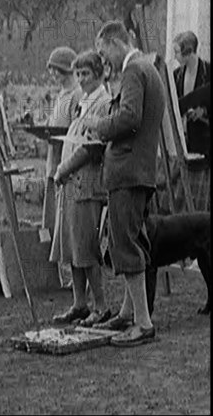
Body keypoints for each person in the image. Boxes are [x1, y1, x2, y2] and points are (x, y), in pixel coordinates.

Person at [85, 21, 165, 347]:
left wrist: (98, 125)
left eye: (105, 53)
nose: (105, 62)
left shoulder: (134, 70)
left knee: (124, 244)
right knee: (137, 240)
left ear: (116, 42)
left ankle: (143, 323)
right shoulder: (149, 68)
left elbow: (130, 117)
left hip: (128, 171)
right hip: (142, 170)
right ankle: (127, 313)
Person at [49, 50, 112, 327]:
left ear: (99, 74)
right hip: (71, 185)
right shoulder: (83, 102)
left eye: (87, 73)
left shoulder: (103, 103)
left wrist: (64, 168)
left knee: (86, 246)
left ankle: (100, 306)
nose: (82, 79)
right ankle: (79, 303)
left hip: (86, 183)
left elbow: (91, 148)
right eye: (79, 74)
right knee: (72, 247)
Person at [43, 46, 82, 289]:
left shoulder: (77, 94)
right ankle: (59, 273)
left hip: (66, 165)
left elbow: (75, 131)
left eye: (56, 70)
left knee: (67, 222)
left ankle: (74, 275)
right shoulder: (60, 95)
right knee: (52, 221)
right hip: (52, 163)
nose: (53, 75)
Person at [172, 31, 211, 158]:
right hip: (183, 141)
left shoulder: (208, 72)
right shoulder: (176, 75)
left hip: (203, 141)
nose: (174, 56)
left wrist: (203, 111)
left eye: (177, 52)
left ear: (188, 52)